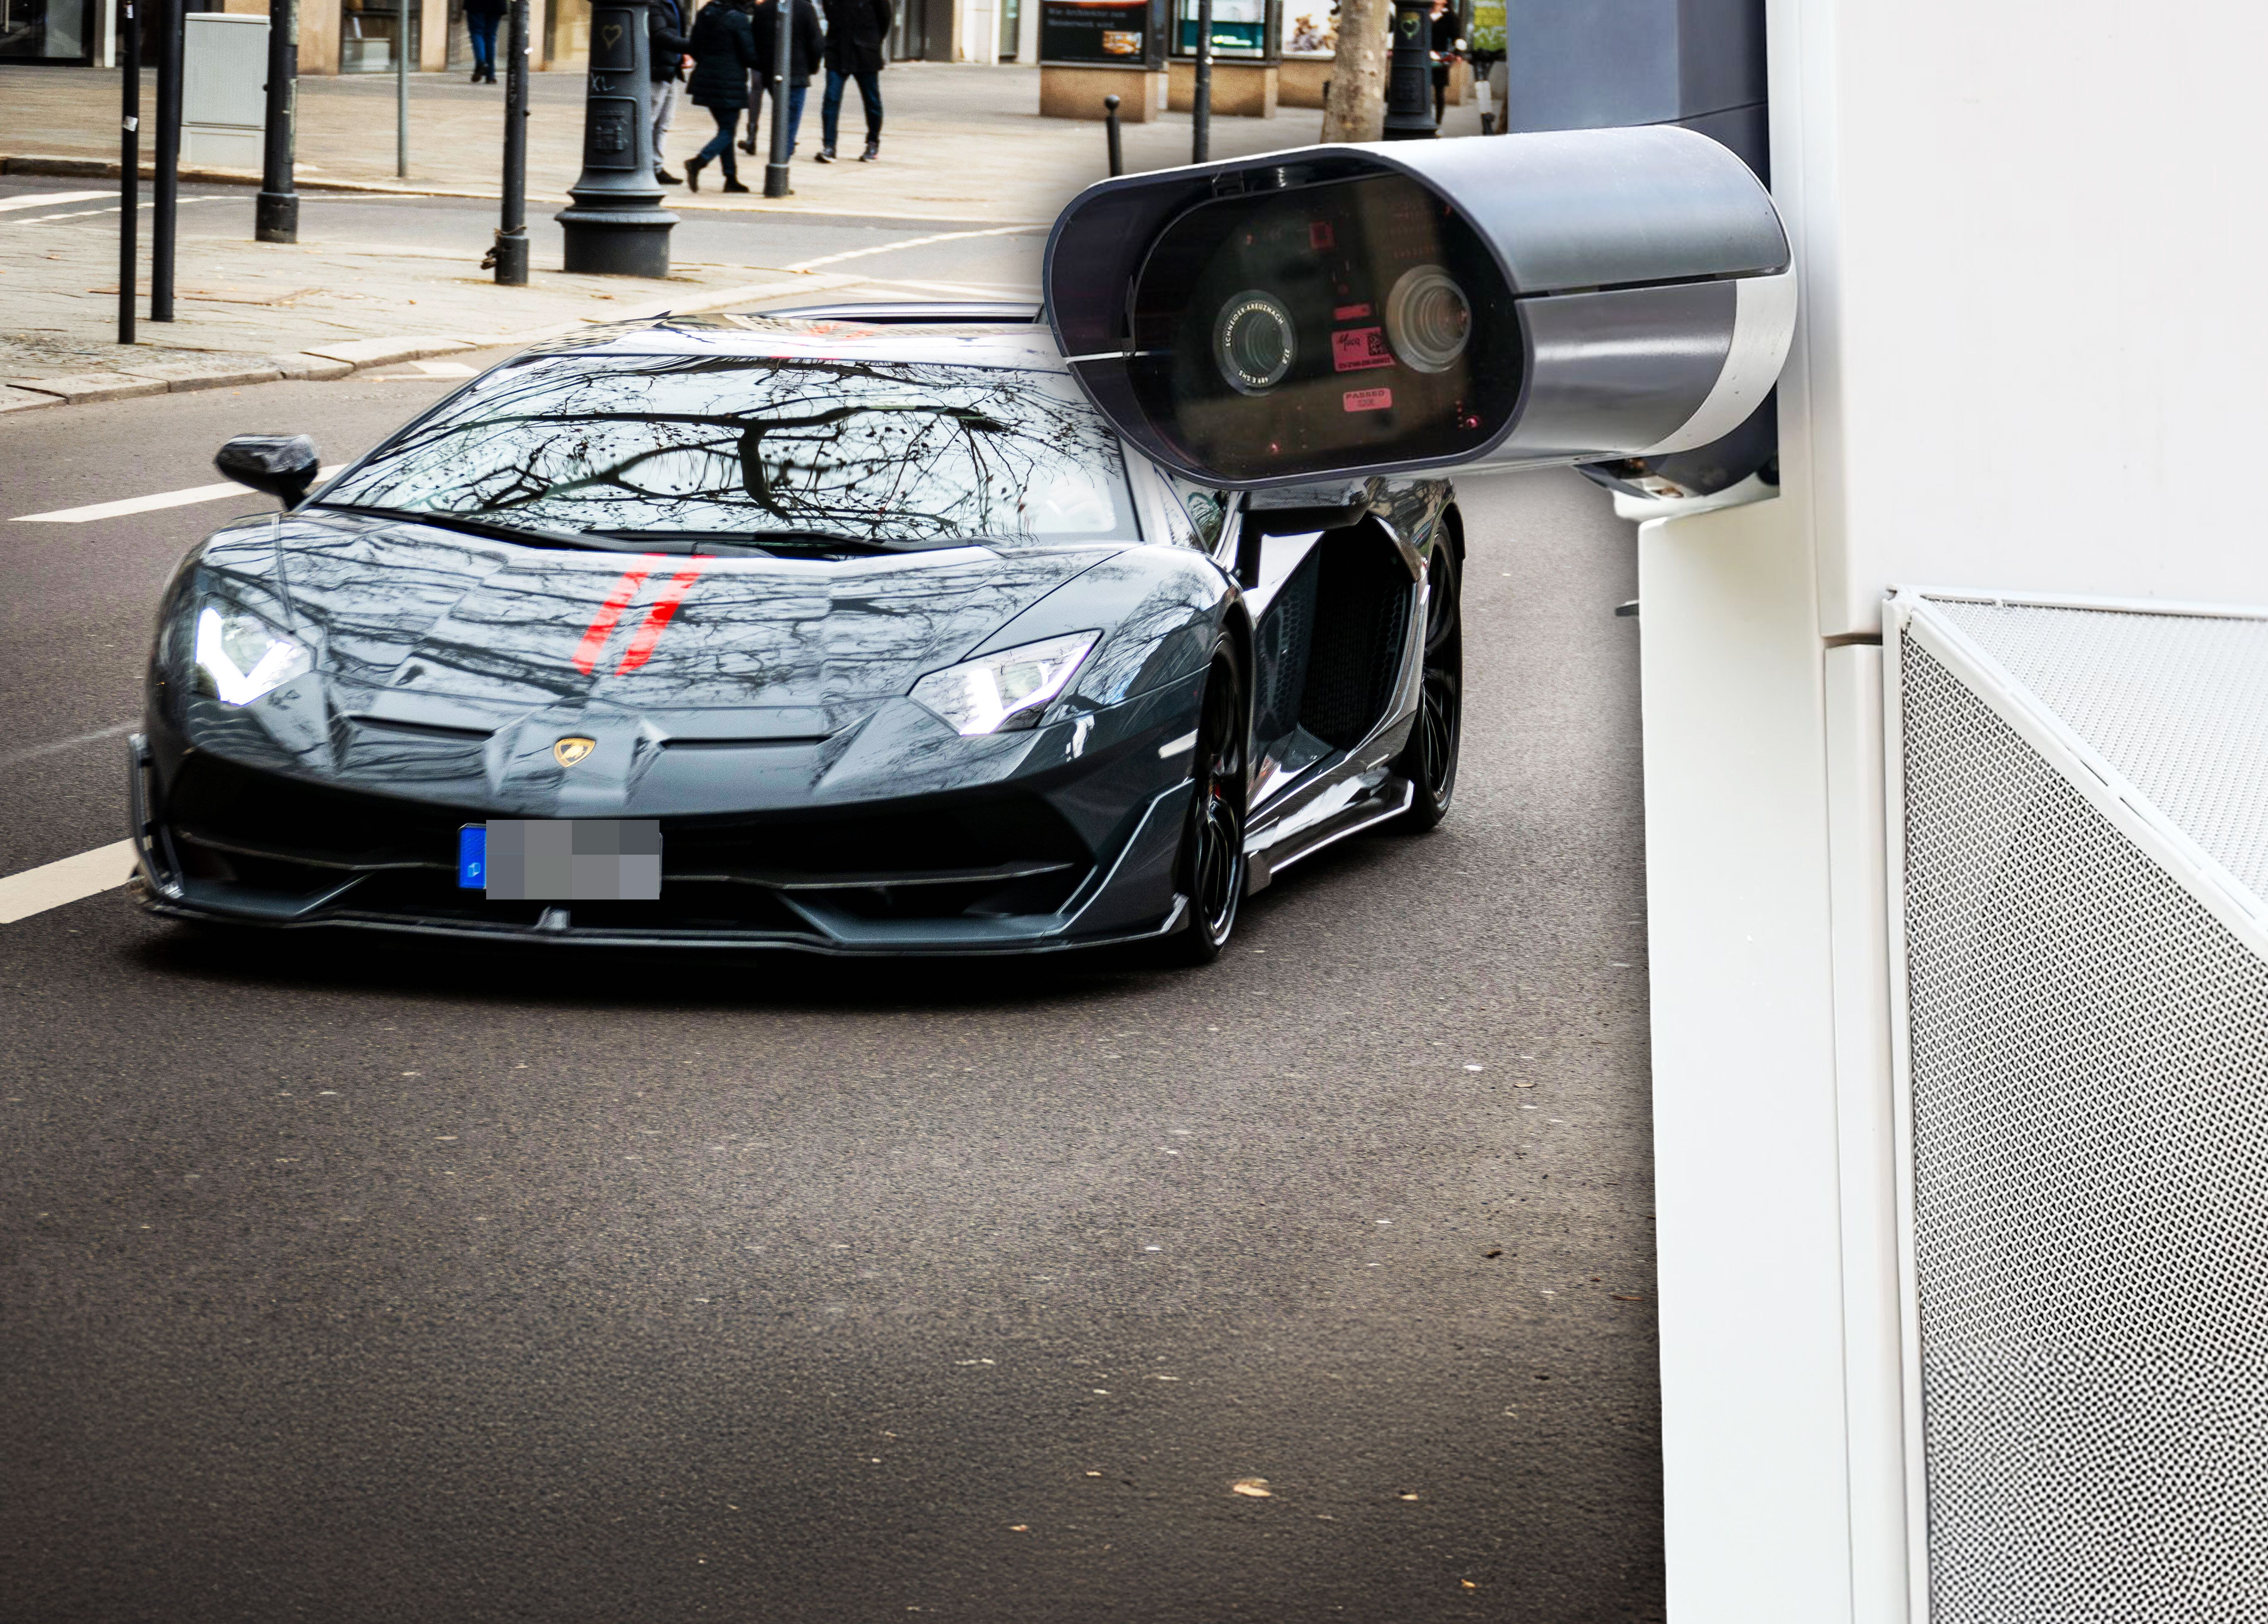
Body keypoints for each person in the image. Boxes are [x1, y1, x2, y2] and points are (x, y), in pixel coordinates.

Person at [684, 0, 760, 193]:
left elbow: (694, 46)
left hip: (705, 79)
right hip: (729, 82)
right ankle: (699, 162)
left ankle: (731, 178)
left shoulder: (705, 13)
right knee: (728, 131)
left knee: (725, 130)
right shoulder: (738, 18)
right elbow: (749, 55)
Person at [740, 0, 823, 160]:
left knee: (781, 116)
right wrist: (811, 67)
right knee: (790, 122)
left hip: (772, 73)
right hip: (797, 73)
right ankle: (781, 164)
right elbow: (817, 43)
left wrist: (764, 66)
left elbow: (754, 42)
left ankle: (779, 158)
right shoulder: (805, 8)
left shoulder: (764, 9)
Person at [817, 0, 892, 163]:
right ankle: (829, 146)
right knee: (831, 99)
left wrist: (873, 40)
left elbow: (885, 18)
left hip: (865, 51)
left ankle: (873, 142)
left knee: (871, 100)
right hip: (838, 50)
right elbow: (830, 13)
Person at [649, 0, 693, 184]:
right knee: (649, 121)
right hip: (657, 70)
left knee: (664, 123)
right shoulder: (655, 4)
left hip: (671, 69)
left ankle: (656, 167)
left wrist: (682, 53)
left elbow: (676, 31)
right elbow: (660, 35)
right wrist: (689, 46)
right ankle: (645, 166)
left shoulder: (673, 3)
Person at [1429, 0, 1460, 126]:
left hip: (1441, 57)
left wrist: (1459, 54)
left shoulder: (1450, 17)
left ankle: (1438, 122)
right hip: (1423, 56)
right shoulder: (1425, 12)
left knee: (1439, 89)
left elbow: (1456, 37)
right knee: (1423, 87)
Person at [463, 0, 506, 83]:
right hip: (497, 4)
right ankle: (491, 75)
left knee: (477, 32)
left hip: (476, 4)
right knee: (490, 37)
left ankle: (481, 63)